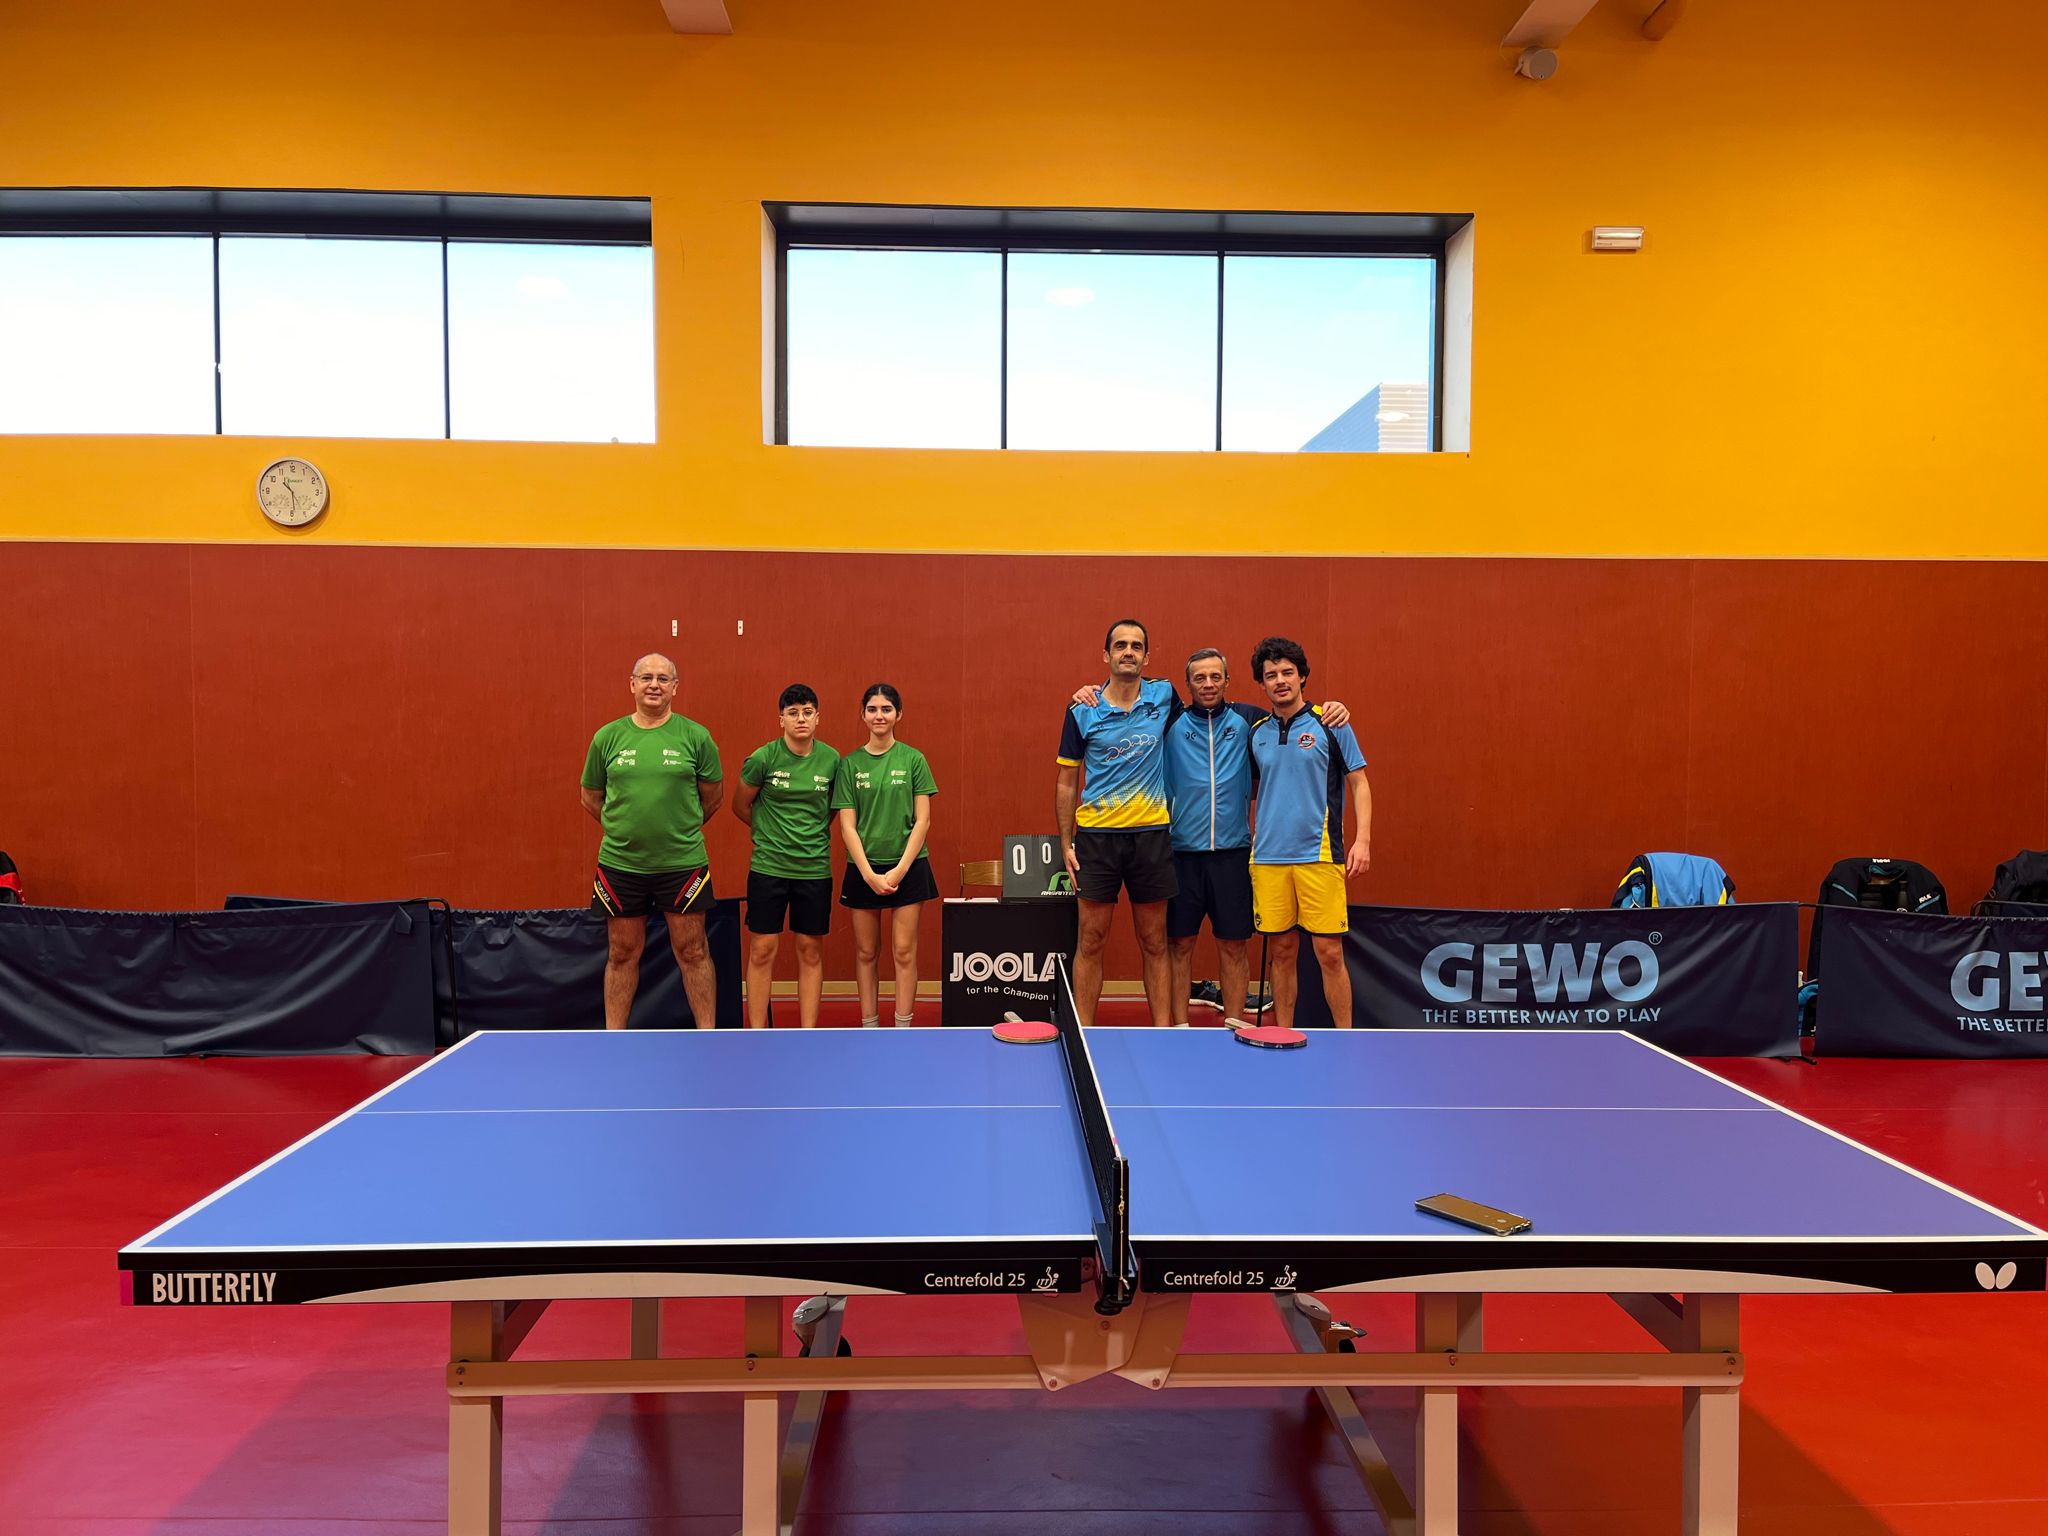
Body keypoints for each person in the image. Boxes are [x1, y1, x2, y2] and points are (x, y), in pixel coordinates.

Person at [1071, 649, 1350, 1027]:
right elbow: (1125, 697)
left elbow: (1291, 716)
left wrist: (1333, 708)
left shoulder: (1250, 721)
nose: (1207, 684)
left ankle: (1234, 1025)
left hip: (1233, 854)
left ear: (1227, 681)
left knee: (1233, 945)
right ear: (1187, 685)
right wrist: (1091, 691)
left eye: (1215, 677)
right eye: (1199, 678)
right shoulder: (1169, 721)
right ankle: (1179, 1028)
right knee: (1179, 944)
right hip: (1181, 853)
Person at [580, 652, 723, 1030]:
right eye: (646, 678)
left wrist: (679, 830)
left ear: (675, 687)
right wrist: (623, 830)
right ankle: (614, 1039)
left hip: (683, 864)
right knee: (622, 953)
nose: (654, 685)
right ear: (632, 685)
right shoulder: (607, 737)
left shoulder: (696, 736)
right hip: (621, 865)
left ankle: (707, 1036)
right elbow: (590, 797)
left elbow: (713, 797)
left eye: (663, 679)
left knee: (693, 951)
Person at [1057, 620, 1180, 1026]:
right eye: (1121, 645)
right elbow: (1067, 780)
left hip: (1151, 835)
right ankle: (1084, 1034)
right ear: (1106, 655)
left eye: (1136, 646)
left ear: (1147, 656)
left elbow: (1209, 711)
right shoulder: (1082, 709)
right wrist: (1066, 843)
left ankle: (1162, 1034)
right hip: (1097, 839)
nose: (1129, 652)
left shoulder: (1165, 695)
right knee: (1091, 940)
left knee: (1154, 940)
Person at [1246, 636, 1371, 1030]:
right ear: (1262, 683)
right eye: (1271, 675)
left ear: (1302, 676)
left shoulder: (1331, 723)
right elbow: (1257, 790)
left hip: (1319, 855)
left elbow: (1359, 782)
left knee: (1329, 953)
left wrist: (1363, 840)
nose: (1280, 680)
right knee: (1281, 951)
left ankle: (1346, 1038)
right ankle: (1283, 1034)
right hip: (1268, 859)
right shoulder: (1257, 732)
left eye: (1287, 672)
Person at [732, 684, 840, 1029]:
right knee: (762, 949)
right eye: (793, 713)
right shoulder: (762, 759)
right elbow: (741, 805)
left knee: (810, 949)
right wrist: (770, 834)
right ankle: (757, 1032)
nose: (800, 719)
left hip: (814, 869)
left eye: (807, 712)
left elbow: (832, 810)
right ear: (781, 719)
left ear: (818, 717)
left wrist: (808, 837)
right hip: (769, 868)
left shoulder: (832, 760)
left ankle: (807, 1033)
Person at [831, 683, 938, 1027]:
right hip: (864, 870)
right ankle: (870, 1026)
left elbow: (923, 820)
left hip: (908, 867)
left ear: (898, 714)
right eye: (873, 709)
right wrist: (868, 874)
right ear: (863, 715)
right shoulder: (850, 765)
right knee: (866, 952)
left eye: (886, 709)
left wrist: (899, 871)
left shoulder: (913, 759)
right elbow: (847, 826)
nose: (880, 715)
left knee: (904, 951)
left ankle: (902, 1027)